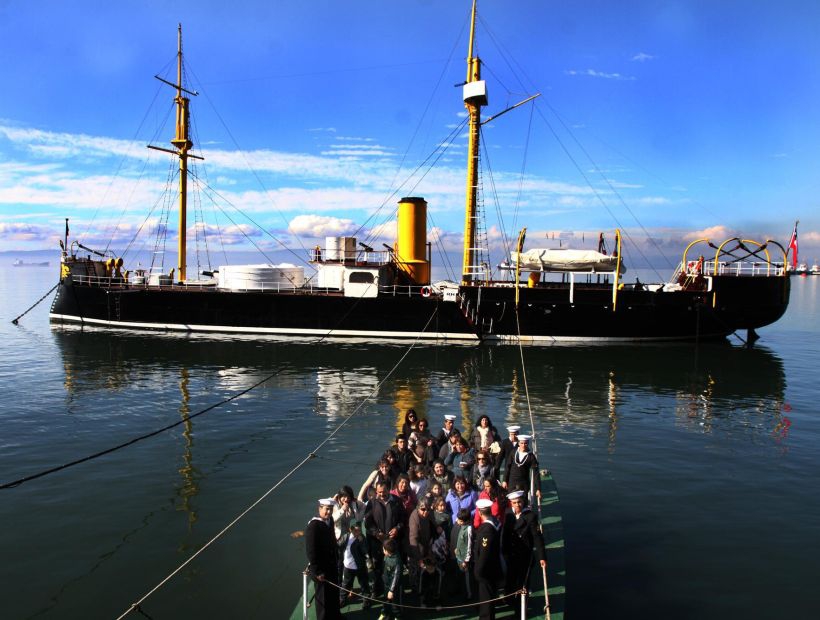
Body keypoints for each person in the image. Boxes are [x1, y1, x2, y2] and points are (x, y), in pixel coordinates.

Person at [501, 490, 546, 610]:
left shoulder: (530, 517)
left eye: (519, 502)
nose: (517, 505)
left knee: (523, 583)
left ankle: (521, 608)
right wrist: (504, 551)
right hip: (511, 554)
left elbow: (537, 537)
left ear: (523, 501)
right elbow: (505, 535)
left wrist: (542, 557)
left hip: (524, 556)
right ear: (511, 503)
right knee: (510, 579)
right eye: (514, 503)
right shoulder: (508, 514)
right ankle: (509, 600)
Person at [364, 481, 405, 595]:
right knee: (378, 566)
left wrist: (397, 528)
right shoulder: (372, 503)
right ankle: (378, 589)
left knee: (394, 566)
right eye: (379, 492)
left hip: (393, 542)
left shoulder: (397, 501)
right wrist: (376, 533)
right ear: (376, 491)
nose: (382, 494)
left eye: (384, 491)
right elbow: (368, 522)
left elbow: (403, 518)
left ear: (389, 489)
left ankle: (395, 589)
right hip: (378, 542)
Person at [305, 498, 342, 620]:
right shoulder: (313, 526)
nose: (329, 512)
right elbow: (311, 551)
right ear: (319, 509)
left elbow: (332, 539)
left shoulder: (329, 520)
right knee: (323, 598)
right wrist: (317, 571)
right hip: (321, 569)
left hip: (331, 564)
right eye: (326, 509)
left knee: (333, 593)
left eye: (330, 509)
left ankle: (335, 616)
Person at [473, 497, 502, 620]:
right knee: (491, 596)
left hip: (486, 571)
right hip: (495, 566)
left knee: (486, 600)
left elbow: (484, 554)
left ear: (479, 512)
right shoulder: (496, 522)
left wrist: (478, 572)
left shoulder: (486, 530)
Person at [408, 499, 437, 603]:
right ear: (417, 508)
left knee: (427, 574)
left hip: (426, 546)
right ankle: (417, 596)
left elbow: (433, 525)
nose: (426, 512)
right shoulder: (414, 518)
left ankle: (427, 594)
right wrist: (419, 558)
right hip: (415, 549)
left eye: (428, 509)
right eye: (423, 509)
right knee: (416, 573)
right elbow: (413, 539)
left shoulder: (429, 514)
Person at [340, 520, 372, 609]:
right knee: (346, 584)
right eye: (356, 530)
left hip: (360, 566)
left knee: (364, 584)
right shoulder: (346, 537)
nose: (358, 533)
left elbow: (366, 551)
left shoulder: (362, 538)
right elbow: (338, 546)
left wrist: (361, 542)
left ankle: (366, 600)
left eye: (359, 531)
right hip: (348, 566)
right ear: (351, 529)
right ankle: (342, 600)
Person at [504, 434, 541, 500]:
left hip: (523, 483)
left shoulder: (531, 456)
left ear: (528, 444)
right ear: (518, 443)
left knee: (523, 501)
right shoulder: (513, 452)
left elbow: (536, 473)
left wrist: (538, 489)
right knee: (511, 500)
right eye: (522, 443)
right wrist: (504, 480)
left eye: (525, 443)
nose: (523, 445)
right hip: (512, 481)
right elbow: (507, 467)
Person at [450, 507, 474, 600]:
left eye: (460, 520)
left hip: (464, 559)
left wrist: (466, 560)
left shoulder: (468, 529)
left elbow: (468, 545)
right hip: (458, 557)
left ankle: (469, 595)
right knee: (459, 576)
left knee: (467, 578)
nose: (457, 521)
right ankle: (461, 591)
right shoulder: (460, 526)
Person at [380, 539, 403, 619]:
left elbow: (396, 576)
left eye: (383, 549)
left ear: (387, 551)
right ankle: (385, 613)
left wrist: (391, 590)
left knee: (395, 603)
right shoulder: (387, 556)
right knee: (385, 601)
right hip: (386, 583)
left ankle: (397, 616)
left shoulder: (397, 561)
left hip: (394, 587)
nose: (382, 550)